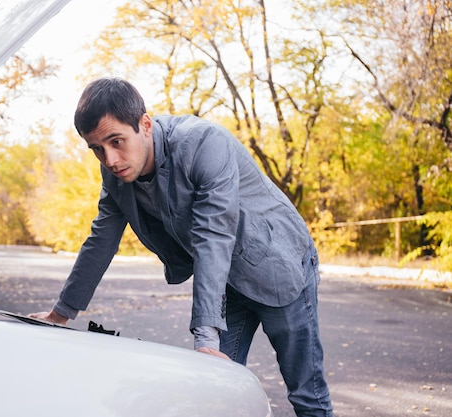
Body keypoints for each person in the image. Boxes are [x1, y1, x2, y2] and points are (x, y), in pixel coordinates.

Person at [31, 77, 334, 416]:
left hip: (279, 267)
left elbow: (213, 235)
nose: (111, 159)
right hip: (224, 284)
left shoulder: (203, 143)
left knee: (307, 395)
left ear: (145, 124)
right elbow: (101, 239)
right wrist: (61, 313)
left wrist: (205, 336)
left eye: (117, 141)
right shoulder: (116, 176)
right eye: (97, 149)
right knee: (214, 391)